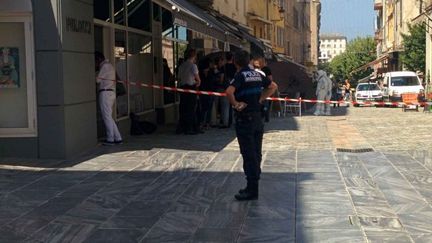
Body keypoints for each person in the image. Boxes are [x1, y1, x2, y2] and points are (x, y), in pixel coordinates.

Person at [226, 50, 277, 201]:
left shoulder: (240, 75)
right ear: (248, 60)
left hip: (245, 119)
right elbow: (273, 86)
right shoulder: (259, 74)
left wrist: (235, 104)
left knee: (248, 154)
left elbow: (229, 92)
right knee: (256, 151)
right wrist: (260, 99)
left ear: (235, 62)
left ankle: (252, 189)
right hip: (257, 119)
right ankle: (255, 181)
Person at [95, 52, 122, 145]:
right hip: (111, 92)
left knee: (106, 117)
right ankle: (118, 137)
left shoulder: (105, 66)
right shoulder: (110, 66)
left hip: (105, 92)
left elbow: (97, 80)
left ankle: (110, 139)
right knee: (109, 116)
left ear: (98, 59)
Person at [176, 49, 202, 135]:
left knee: (183, 108)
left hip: (183, 89)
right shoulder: (193, 66)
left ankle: (182, 127)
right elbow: (198, 79)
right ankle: (190, 128)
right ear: (194, 56)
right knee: (191, 109)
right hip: (191, 88)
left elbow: (179, 79)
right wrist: (197, 83)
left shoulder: (181, 66)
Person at [198, 58, 215, 129]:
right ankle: (205, 123)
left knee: (205, 108)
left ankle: (204, 123)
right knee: (206, 108)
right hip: (207, 92)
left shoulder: (202, 73)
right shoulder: (209, 73)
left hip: (205, 92)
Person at [224, 52, 237, 127]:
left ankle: (226, 122)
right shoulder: (234, 66)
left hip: (226, 86)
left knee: (226, 106)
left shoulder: (224, 66)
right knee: (234, 103)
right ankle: (233, 121)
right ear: (232, 58)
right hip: (233, 86)